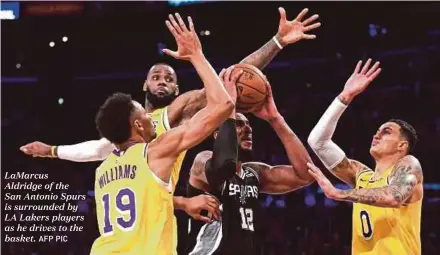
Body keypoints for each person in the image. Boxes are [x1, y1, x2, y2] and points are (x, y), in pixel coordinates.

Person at [20, 7, 321, 214]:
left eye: (170, 78)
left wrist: (277, 41)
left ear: (177, 90)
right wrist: (52, 151)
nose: (163, 80)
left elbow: (233, 78)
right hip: (153, 209)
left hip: (176, 207)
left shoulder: (177, 112)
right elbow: (95, 148)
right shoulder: (127, 131)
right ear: (144, 85)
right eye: (156, 76)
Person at [89, 13, 234, 255]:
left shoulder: (102, 170)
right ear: (137, 125)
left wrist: (183, 202)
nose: (150, 118)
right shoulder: (156, 150)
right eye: (144, 116)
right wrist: (196, 54)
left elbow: (146, 202)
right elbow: (223, 105)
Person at [185, 70, 314, 255]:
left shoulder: (254, 174)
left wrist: (275, 119)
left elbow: (305, 175)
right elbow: (224, 166)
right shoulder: (202, 161)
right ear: (217, 135)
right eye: (238, 124)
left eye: (248, 125)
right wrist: (229, 106)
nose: (247, 128)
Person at [307, 59, 423, 255]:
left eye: (386, 131)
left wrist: (339, 193)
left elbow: (394, 196)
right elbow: (318, 142)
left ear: (402, 146)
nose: (376, 134)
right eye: (376, 131)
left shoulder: (409, 164)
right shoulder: (361, 176)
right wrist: (344, 97)